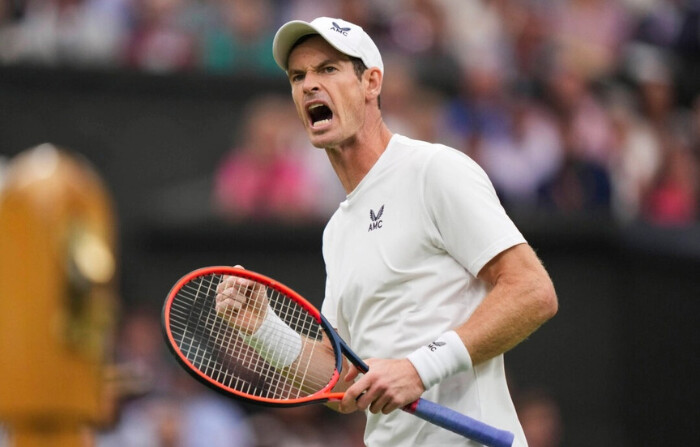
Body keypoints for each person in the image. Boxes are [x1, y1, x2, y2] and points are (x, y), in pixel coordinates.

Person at [218, 16, 558, 447]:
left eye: (328, 69)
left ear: (371, 83)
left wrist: (419, 369)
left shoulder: (434, 171)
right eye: (298, 76)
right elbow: (343, 384)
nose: (308, 86)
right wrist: (264, 327)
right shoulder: (337, 231)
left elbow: (533, 291)